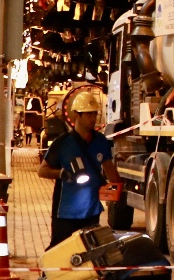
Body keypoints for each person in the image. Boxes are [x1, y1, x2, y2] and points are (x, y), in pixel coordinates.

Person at [39, 87, 117, 249]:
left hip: (91, 211)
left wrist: (118, 188)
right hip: (65, 212)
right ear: (77, 116)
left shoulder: (100, 141)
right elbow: (42, 171)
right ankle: (49, 274)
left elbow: (108, 166)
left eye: (94, 114)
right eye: (88, 114)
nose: (93, 118)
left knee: (89, 252)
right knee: (60, 251)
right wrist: (62, 173)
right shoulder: (63, 142)